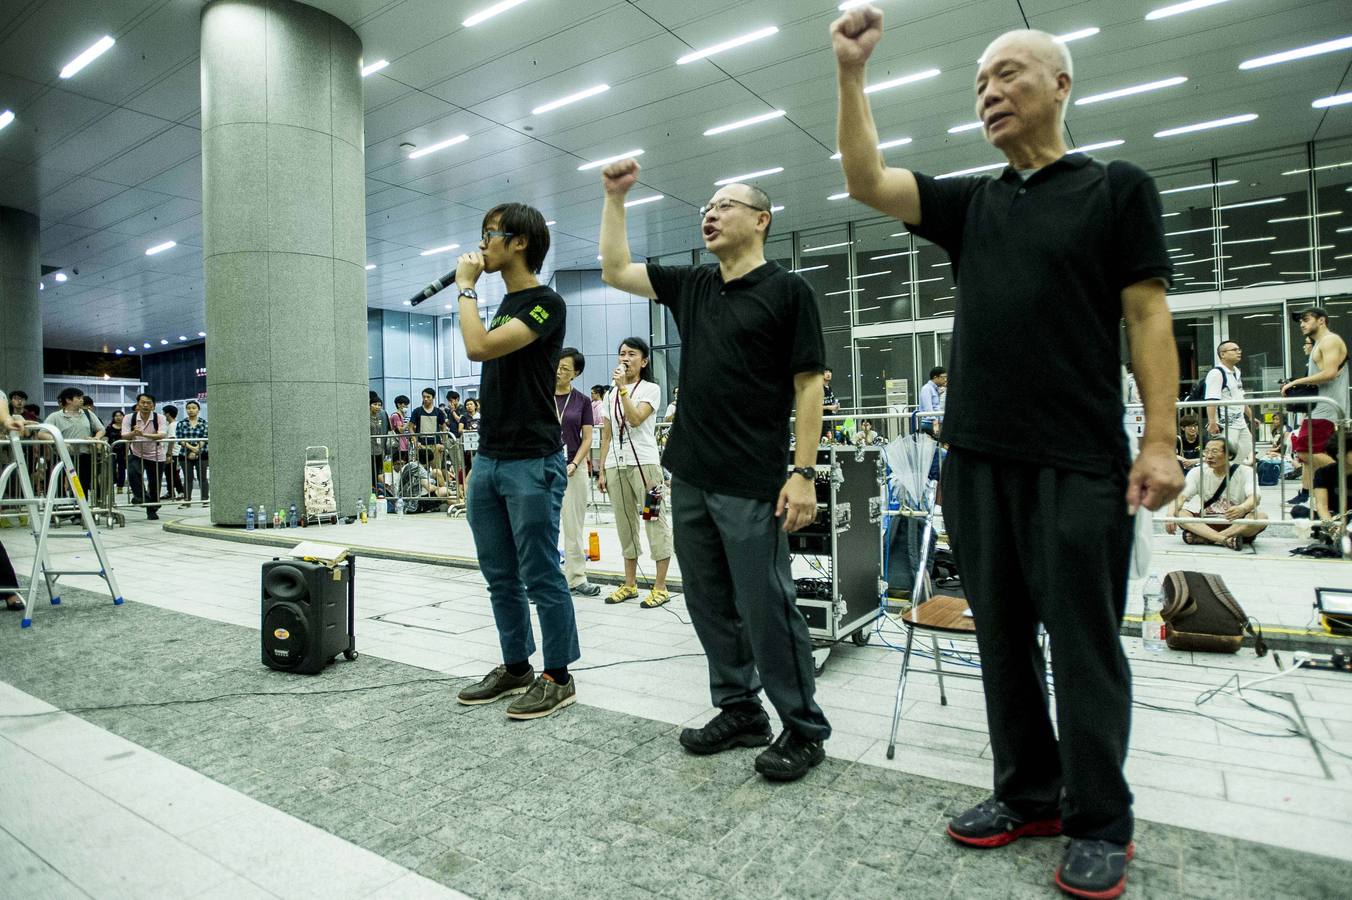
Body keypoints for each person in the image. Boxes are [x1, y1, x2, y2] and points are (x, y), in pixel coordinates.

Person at [832, 10, 1182, 896]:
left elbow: (1148, 315)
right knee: (1003, 639)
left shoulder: (1116, 189)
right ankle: (1028, 793)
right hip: (977, 461)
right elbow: (867, 179)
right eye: (980, 82)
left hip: (1078, 461)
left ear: (1060, 85)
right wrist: (851, 73)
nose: (989, 92)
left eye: (1008, 74)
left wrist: (1160, 439)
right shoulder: (974, 203)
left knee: (1085, 644)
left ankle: (1100, 818)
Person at [600, 159, 832, 783]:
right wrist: (615, 198)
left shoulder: (789, 292)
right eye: (707, 205)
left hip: (752, 478)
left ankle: (803, 728)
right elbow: (616, 269)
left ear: (761, 220)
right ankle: (740, 709)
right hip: (691, 474)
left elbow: (809, 385)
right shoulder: (694, 285)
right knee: (706, 602)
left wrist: (803, 473)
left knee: (766, 606)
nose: (711, 212)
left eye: (725, 204)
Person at [452, 201, 579, 721]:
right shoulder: (505, 303)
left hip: (532, 458)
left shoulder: (546, 304)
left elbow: (478, 347)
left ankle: (559, 677)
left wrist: (465, 287)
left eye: (491, 233)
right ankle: (516, 666)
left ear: (520, 242)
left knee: (541, 572)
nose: (482, 243)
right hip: (490, 458)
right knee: (499, 574)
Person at [597, 337, 673, 608]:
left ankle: (660, 587)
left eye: (631, 354)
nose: (625, 359)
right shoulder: (609, 395)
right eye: (622, 354)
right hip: (616, 467)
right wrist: (601, 470)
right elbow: (606, 435)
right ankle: (629, 584)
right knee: (625, 523)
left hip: (645, 467)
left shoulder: (651, 389)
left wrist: (623, 390)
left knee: (653, 518)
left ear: (644, 361)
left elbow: (636, 419)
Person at [1283, 308, 1348, 507]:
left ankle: (1344, 478)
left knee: (1304, 450)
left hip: (1325, 409)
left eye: (1306, 319)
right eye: (1301, 321)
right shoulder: (1322, 343)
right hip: (1320, 408)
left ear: (1322, 321)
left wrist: (1296, 382)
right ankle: (1322, 495)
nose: (1302, 324)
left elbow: (1330, 373)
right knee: (1313, 451)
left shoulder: (1329, 341)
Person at [1165, 437, 1268, 550]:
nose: (1209, 456)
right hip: (1207, 523)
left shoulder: (1246, 472)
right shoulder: (1197, 472)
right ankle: (1223, 539)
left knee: (1261, 517)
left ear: (1229, 455)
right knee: (1180, 513)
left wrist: (1242, 508)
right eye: (1206, 451)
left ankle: (1206, 538)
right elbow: (1181, 496)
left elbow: (1255, 497)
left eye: (1214, 451)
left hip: (1236, 524)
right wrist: (1170, 515)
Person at [554, 348, 599, 597]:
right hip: (543, 466)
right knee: (541, 525)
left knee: (573, 525)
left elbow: (588, 438)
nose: (559, 371)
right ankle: (544, 580)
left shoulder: (582, 401)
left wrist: (574, 463)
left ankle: (576, 578)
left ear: (576, 373)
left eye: (565, 369)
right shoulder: (540, 394)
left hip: (574, 467)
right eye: (557, 366)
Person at [41, 386, 105, 493]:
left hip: (84, 454)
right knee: (58, 483)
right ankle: (59, 502)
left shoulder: (87, 413)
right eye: (78, 398)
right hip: (61, 455)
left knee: (82, 484)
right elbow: (42, 433)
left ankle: (80, 502)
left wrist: (96, 438)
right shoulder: (55, 416)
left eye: (82, 397)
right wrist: (60, 441)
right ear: (68, 400)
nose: (82, 400)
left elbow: (101, 429)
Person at [1203, 341, 1253, 467]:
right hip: (1225, 423)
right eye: (1234, 350)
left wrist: (1251, 416)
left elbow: (1240, 396)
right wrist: (1212, 422)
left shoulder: (1236, 371)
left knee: (1246, 447)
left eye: (1239, 349)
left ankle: (1229, 473)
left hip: (1240, 421)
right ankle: (1218, 474)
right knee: (1224, 452)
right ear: (1223, 354)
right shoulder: (1216, 373)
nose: (1238, 352)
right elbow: (1211, 399)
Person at [122, 393, 168, 520]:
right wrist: (134, 433)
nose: (145, 405)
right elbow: (124, 435)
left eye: (148, 403)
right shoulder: (129, 418)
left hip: (156, 455)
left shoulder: (160, 418)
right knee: (132, 473)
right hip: (136, 453)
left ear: (153, 405)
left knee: (154, 484)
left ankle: (151, 510)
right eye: (142, 402)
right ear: (138, 404)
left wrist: (143, 434)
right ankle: (143, 499)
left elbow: (161, 435)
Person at [177, 401, 208, 503]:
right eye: (189, 408)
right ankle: (187, 500)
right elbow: (180, 439)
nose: (191, 410)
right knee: (188, 478)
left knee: (202, 477)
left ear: (198, 410)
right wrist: (192, 449)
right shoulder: (181, 423)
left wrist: (196, 450)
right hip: (184, 454)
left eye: (194, 408)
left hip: (202, 453)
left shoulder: (204, 423)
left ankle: (204, 499)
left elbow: (205, 438)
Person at [160, 405, 184, 500]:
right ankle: (170, 492)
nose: (163, 415)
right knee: (168, 474)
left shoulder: (173, 425)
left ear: (168, 414)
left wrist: (169, 455)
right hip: (170, 454)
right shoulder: (170, 425)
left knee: (174, 474)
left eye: (163, 413)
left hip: (174, 454)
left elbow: (172, 440)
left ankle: (181, 492)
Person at [369, 392, 391, 493]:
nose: (377, 407)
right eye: (375, 404)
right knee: (371, 471)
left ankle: (376, 490)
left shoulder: (380, 416)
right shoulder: (366, 417)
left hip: (379, 448)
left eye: (379, 405)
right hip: (370, 449)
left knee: (378, 471)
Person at [918, 366, 947, 436]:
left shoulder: (935, 389)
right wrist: (935, 422)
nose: (945, 380)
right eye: (943, 377)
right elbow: (928, 408)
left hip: (936, 422)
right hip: (930, 423)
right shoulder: (927, 388)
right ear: (935, 377)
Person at [108, 409, 127, 489]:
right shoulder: (109, 427)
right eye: (116, 416)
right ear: (113, 417)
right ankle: (113, 483)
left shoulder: (126, 427)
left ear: (123, 417)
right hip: (112, 450)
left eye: (120, 416)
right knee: (111, 468)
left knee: (122, 469)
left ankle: (120, 486)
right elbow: (106, 437)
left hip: (123, 451)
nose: (118, 417)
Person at [389, 395, 411, 464]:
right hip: (399, 445)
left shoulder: (402, 416)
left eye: (407, 405)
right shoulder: (396, 416)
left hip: (404, 444)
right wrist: (408, 423)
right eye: (405, 405)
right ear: (398, 405)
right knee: (400, 464)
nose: (406, 407)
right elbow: (401, 430)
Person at [821, 366, 841, 438]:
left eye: (830, 372)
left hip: (829, 418)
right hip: (821, 420)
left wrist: (836, 407)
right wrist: (830, 407)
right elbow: (814, 407)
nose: (828, 374)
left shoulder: (829, 388)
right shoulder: (819, 388)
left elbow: (832, 402)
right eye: (826, 372)